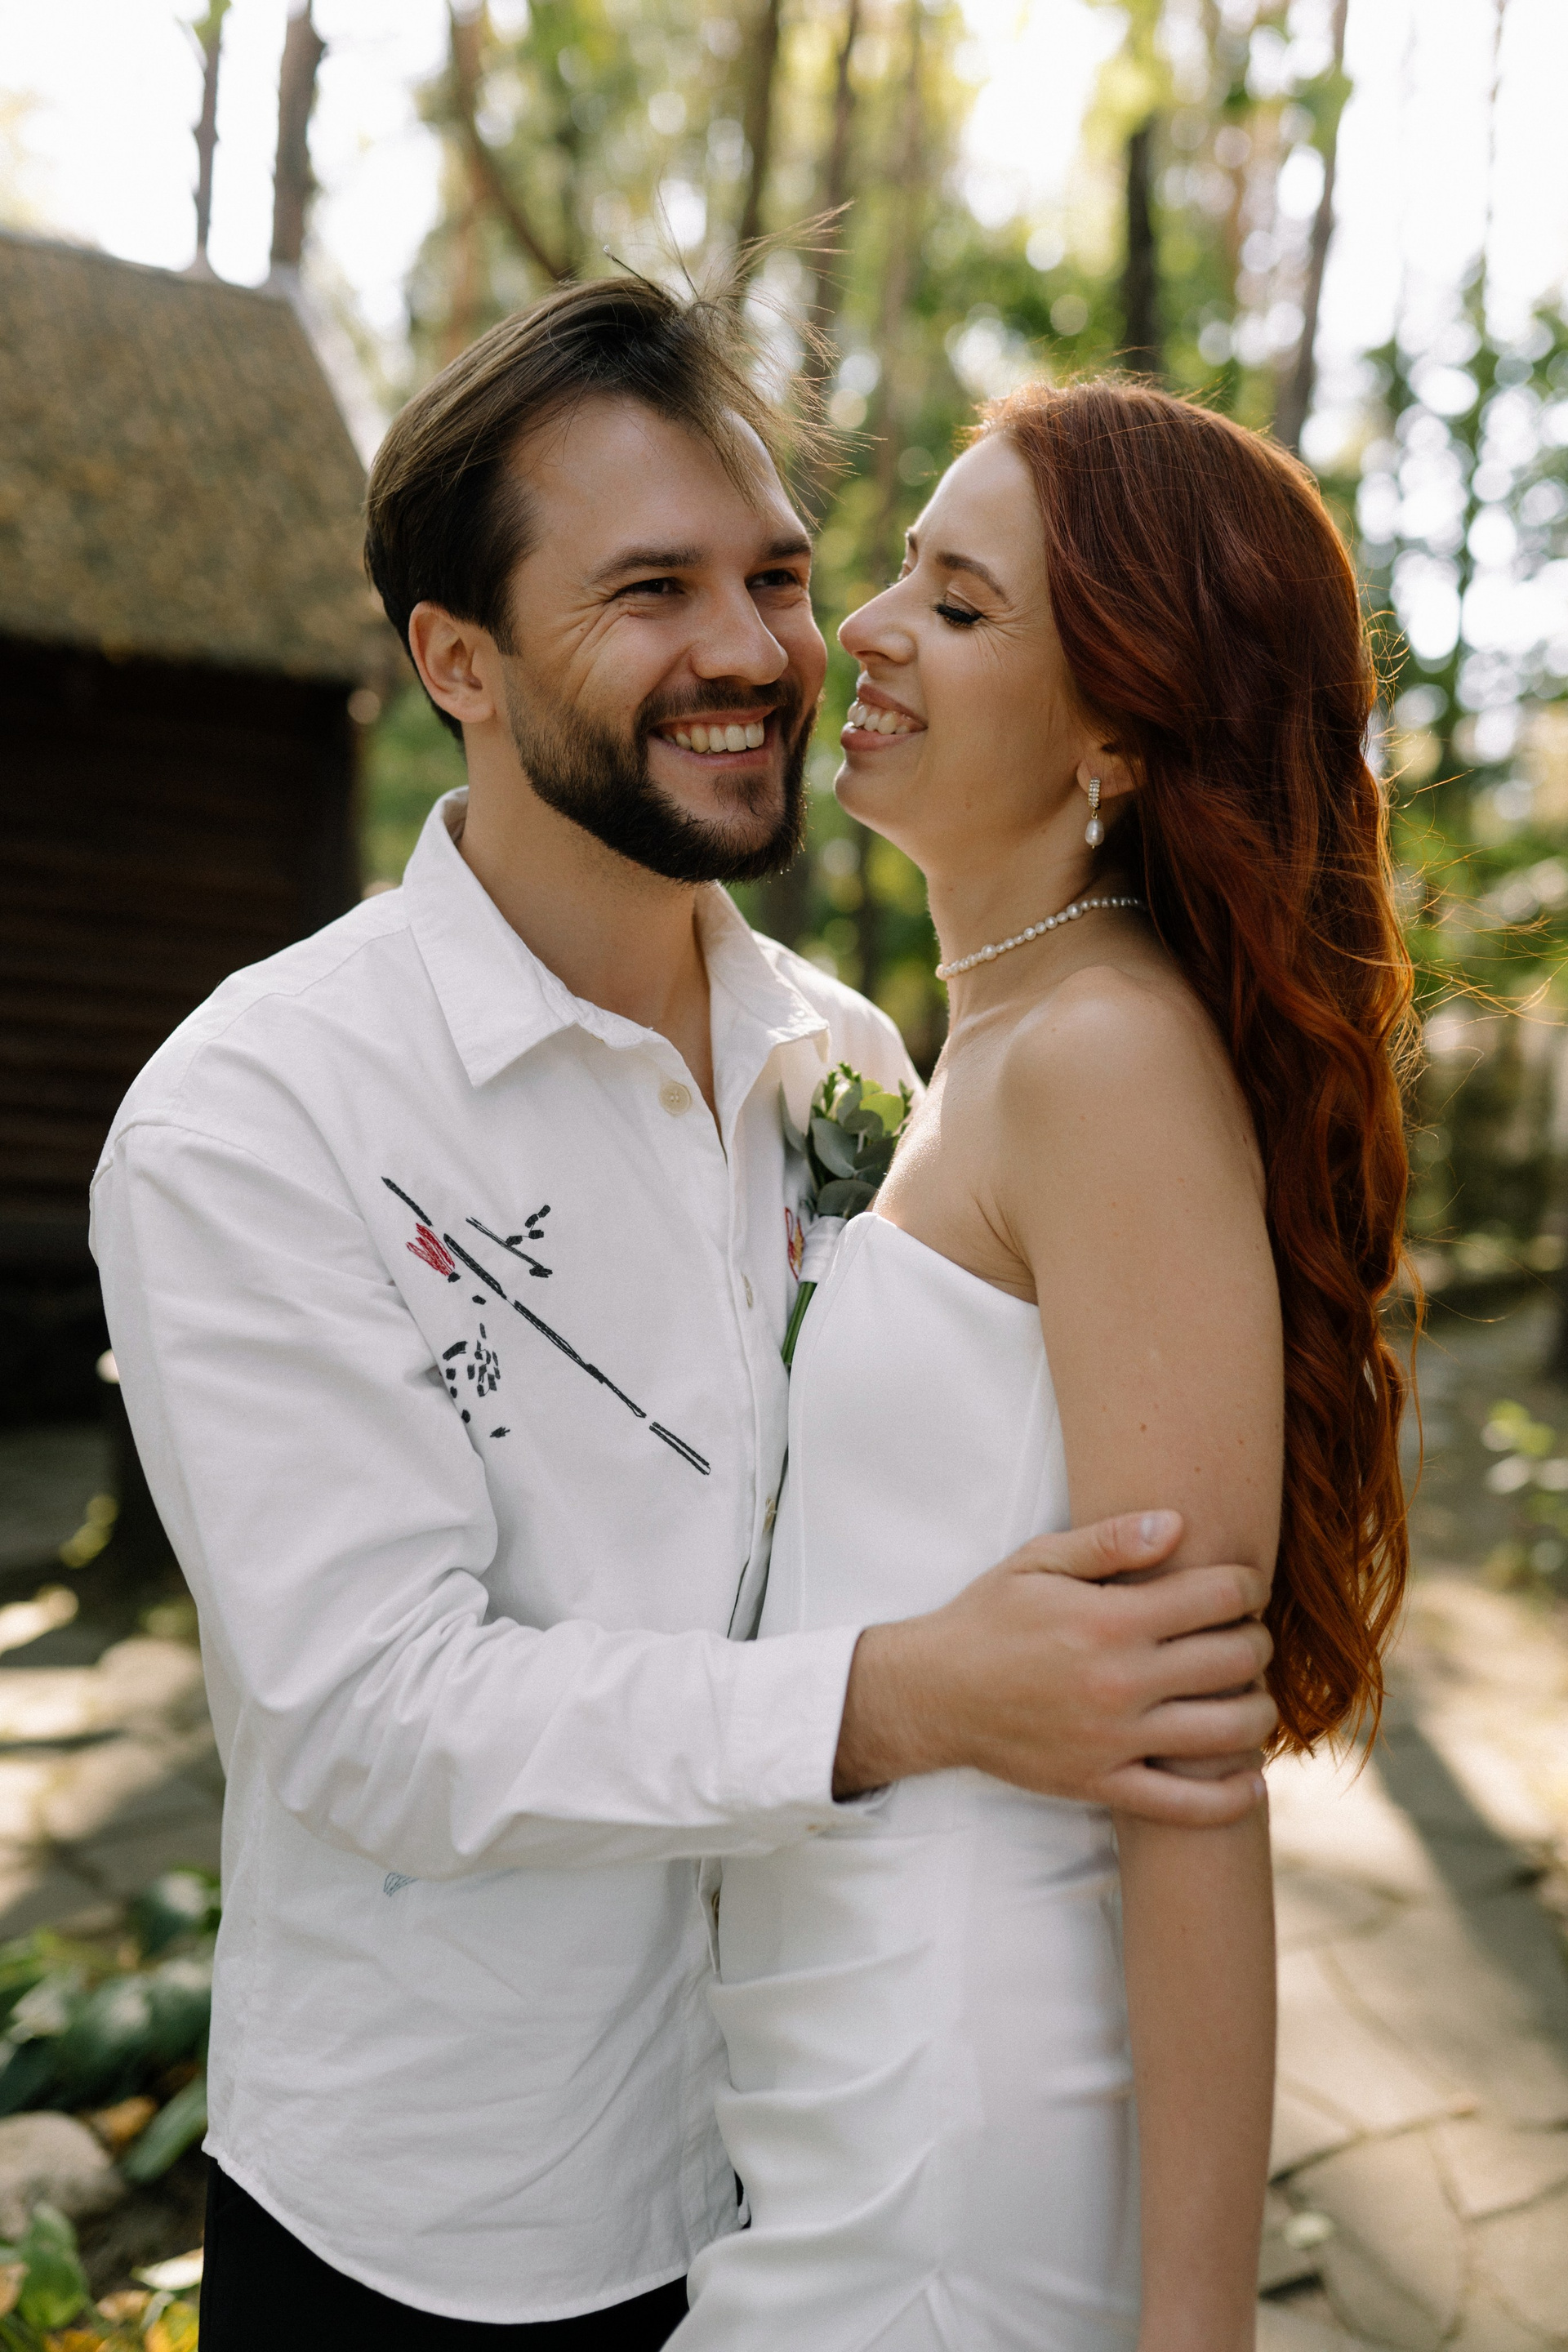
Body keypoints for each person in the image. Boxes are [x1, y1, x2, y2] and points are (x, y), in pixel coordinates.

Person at [91, 284, 1277, 2349]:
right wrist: (898, 1701)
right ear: (455, 659)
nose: (755, 651)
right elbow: (371, 1712)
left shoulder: (854, 1065)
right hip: (447, 2226)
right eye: (651, 590)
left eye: (778, 576)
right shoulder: (256, 1112)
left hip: (810, 2153)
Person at [674, 381, 1413, 2351]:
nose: (864, 627)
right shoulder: (986, 1048)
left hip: (953, 2103)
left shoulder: (1102, 1061)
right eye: (903, 572)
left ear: (1120, 735)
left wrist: (1199, 2325)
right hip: (840, 2055)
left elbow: (1189, 1753)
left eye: (961, 602)